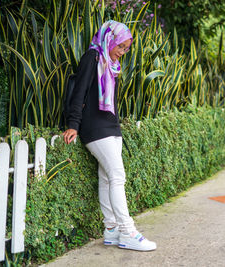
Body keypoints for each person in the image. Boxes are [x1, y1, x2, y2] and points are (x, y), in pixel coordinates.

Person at [62, 20, 157, 252]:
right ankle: (128, 231)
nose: (122, 53)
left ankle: (112, 230)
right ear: (109, 39)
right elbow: (80, 92)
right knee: (117, 176)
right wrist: (73, 124)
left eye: (126, 49)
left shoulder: (109, 63)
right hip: (94, 128)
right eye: (120, 47)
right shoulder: (92, 57)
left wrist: (117, 127)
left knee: (107, 178)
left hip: (111, 127)